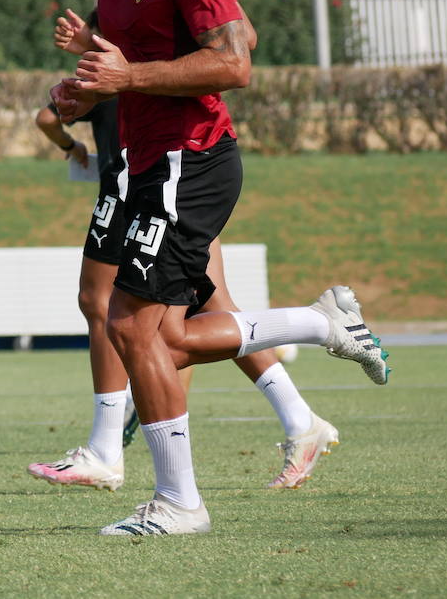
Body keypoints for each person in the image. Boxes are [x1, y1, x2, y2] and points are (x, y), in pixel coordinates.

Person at [49, 0, 390, 537]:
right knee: (160, 337)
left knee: (129, 323)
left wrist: (128, 72)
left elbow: (237, 59)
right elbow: (154, 53)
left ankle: (179, 502)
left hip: (191, 161)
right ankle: (319, 322)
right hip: (149, 166)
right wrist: (90, 84)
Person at [29, 67, 333, 493]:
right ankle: (300, 413)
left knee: (106, 307)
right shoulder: (139, 53)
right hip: (175, 177)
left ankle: (107, 449)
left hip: (147, 179)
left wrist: (72, 140)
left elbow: (233, 52)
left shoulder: (136, 54)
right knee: (203, 310)